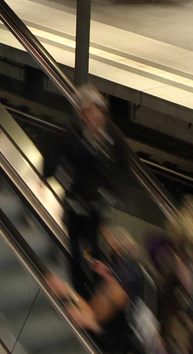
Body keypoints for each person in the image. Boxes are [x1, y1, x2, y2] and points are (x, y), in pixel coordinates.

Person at [42, 86, 132, 296]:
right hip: (75, 201)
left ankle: (96, 287)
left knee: (94, 245)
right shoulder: (72, 132)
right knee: (76, 246)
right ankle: (79, 287)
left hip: (98, 204)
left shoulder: (111, 135)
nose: (91, 117)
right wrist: (49, 176)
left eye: (94, 111)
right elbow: (53, 153)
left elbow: (123, 165)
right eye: (86, 112)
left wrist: (112, 192)